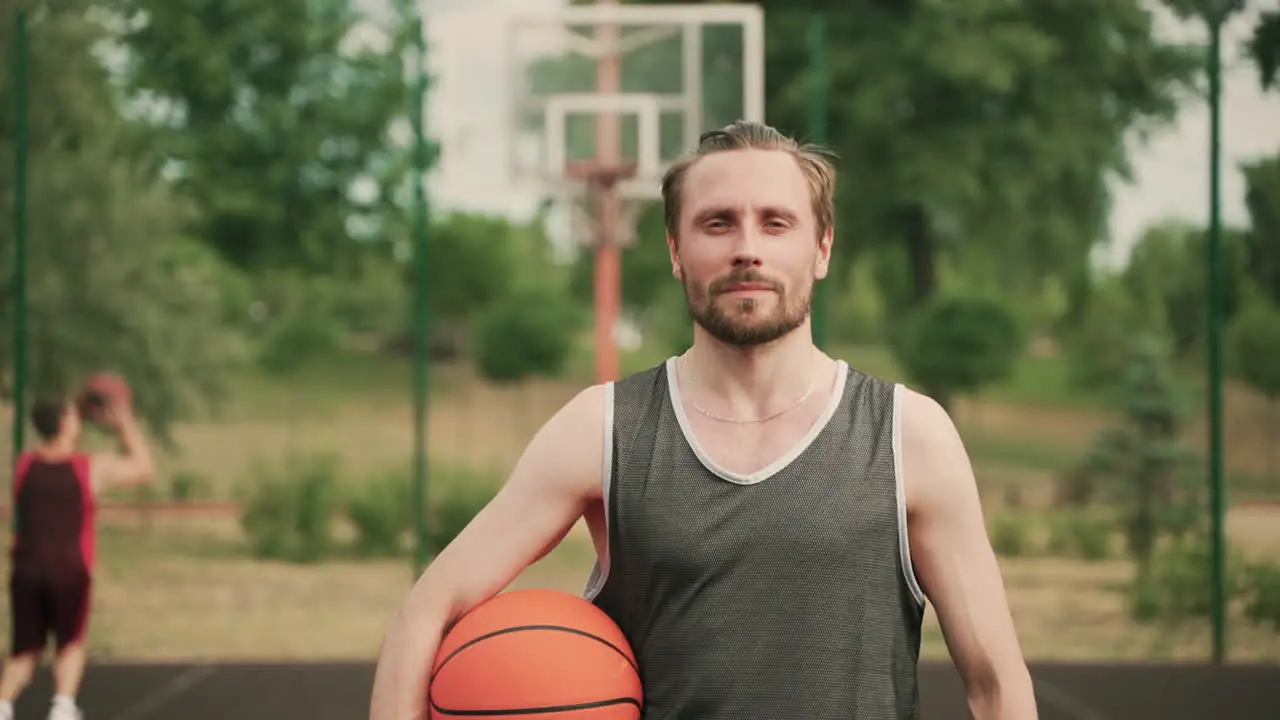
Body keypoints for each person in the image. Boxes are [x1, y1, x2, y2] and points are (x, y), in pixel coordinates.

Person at [369, 120, 1038, 720]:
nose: (747, 247)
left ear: (823, 248)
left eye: (776, 223)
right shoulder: (604, 428)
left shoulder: (908, 435)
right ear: (675, 250)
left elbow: (995, 685)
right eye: (717, 223)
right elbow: (424, 613)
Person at [0, 392, 154, 720]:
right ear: (67, 423)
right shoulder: (87, 469)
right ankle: (62, 707)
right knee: (70, 644)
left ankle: (2, 706)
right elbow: (143, 467)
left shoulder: (24, 466)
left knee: (22, 652)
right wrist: (123, 424)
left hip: (26, 570)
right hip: (69, 570)